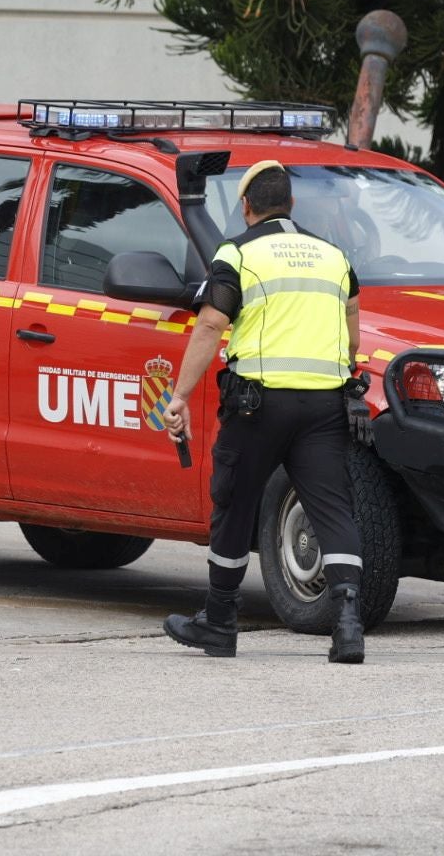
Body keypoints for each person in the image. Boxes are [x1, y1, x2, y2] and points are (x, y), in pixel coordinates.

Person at [161, 159, 367, 663]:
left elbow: (210, 325)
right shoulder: (333, 256)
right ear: (292, 205)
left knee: (234, 504)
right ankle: (347, 625)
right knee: (332, 509)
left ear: (247, 207)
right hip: (325, 405)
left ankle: (220, 621)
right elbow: (353, 329)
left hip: (258, 404)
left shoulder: (238, 254)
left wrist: (180, 396)